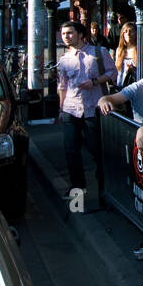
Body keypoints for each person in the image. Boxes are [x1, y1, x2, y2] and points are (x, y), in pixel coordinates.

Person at [57, 20, 116, 197]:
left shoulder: (99, 52)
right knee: (71, 150)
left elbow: (112, 72)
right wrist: (61, 109)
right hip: (71, 108)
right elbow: (62, 86)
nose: (66, 37)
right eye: (64, 33)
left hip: (94, 107)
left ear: (81, 34)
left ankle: (104, 188)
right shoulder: (64, 59)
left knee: (96, 149)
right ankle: (77, 188)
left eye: (69, 33)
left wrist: (95, 82)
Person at [114, 22, 139, 87]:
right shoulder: (119, 50)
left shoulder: (139, 49)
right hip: (121, 85)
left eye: (131, 31)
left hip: (134, 85)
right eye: (125, 31)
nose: (128, 34)